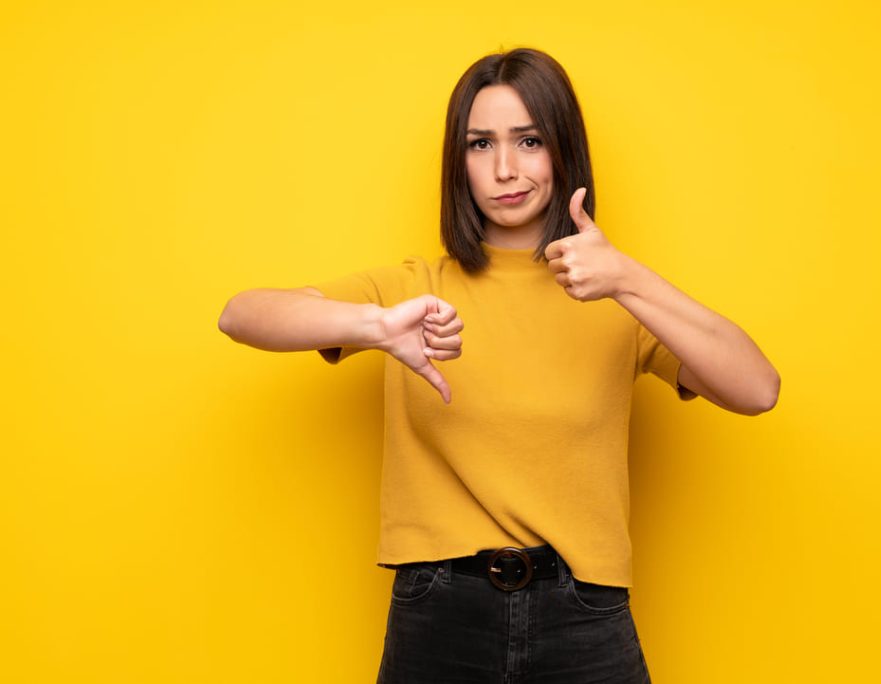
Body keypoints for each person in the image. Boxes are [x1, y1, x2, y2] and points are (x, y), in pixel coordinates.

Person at [218, 47, 779, 683]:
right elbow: (241, 315)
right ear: (458, 163)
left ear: (563, 150)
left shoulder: (616, 298)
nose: (505, 169)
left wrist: (628, 276)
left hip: (584, 613)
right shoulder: (415, 287)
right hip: (438, 613)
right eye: (480, 144)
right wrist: (374, 327)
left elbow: (758, 389)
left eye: (529, 140)